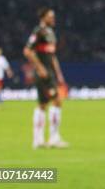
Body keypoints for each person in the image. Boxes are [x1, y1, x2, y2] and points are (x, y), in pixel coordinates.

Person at [23, 8, 68, 148]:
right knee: (57, 101)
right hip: (44, 74)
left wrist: (58, 73)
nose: (53, 18)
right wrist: (40, 68)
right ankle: (53, 138)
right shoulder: (39, 31)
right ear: (43, 17)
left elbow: (52, 56)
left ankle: (38, 140)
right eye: (50, 16)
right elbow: (27, 51)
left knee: (43, 105)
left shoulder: (50, 33)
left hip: (50, 72)